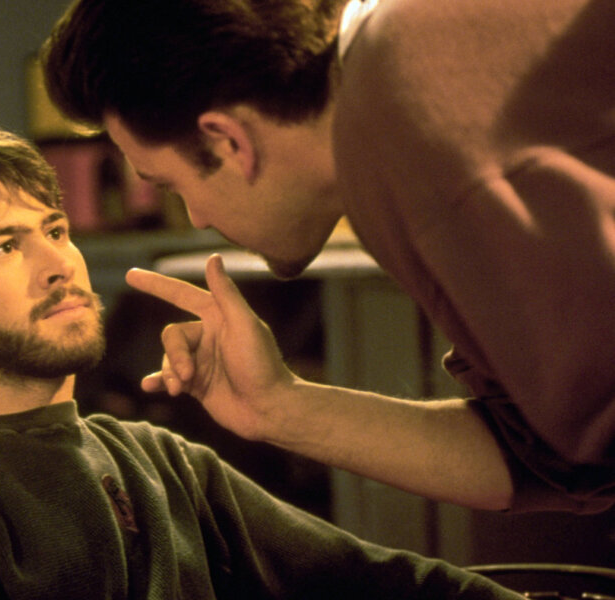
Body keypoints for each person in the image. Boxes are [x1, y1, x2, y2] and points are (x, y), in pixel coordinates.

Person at [0, 127, 589, 600]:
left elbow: (390, 591)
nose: (58, 264)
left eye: (55, 229)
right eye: (4, 246)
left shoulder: (158, 462)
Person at [39, 0, 615, 515]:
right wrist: (277, 406)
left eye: (171, 186)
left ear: (227, 142)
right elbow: (549, 457)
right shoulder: (393, 81)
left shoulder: (412, 109)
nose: (197, 219)